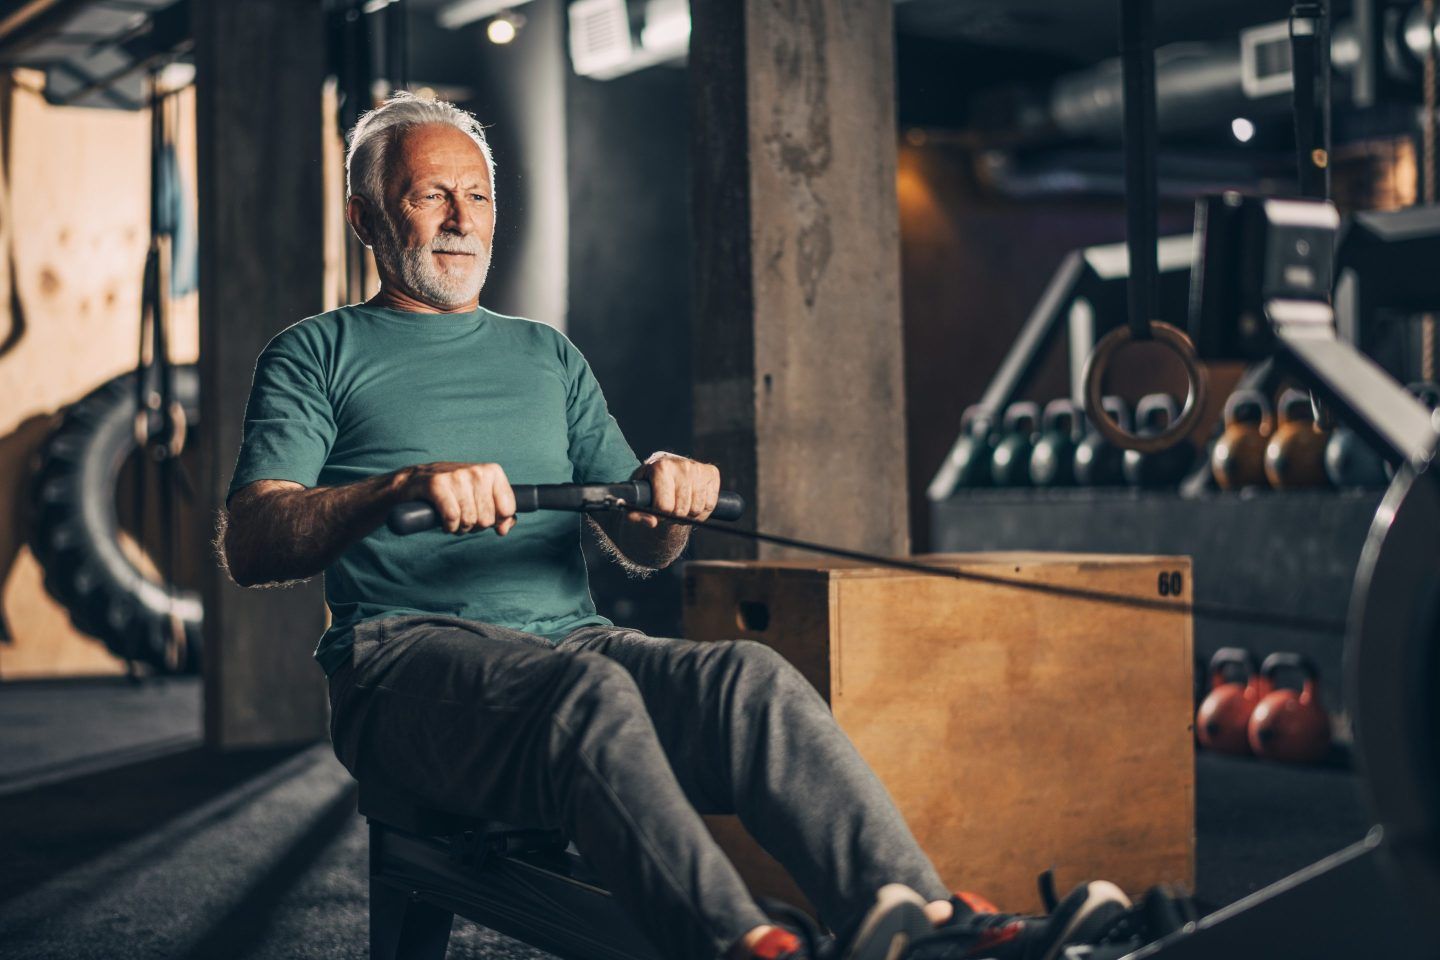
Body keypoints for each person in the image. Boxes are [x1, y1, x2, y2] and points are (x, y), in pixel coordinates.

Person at [218, 91, 1130, 960]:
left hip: (573, 645)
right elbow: (255, 543)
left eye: (479, 195)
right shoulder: (317, 352)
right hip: (401, 662)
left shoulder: (547, 355)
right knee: (588, 700)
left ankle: (930, 926)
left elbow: (642, 538)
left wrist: (666, 493)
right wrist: (396, 488)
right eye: (431, 195)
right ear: (368, 215)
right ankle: (744, 944)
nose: (462, 218)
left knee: (751, 681)